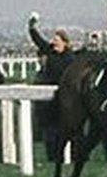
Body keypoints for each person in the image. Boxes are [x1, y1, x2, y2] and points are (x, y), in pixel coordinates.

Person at [27, 13, 75, 161]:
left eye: (56, 41)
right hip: (50, 99)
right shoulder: (50, 51)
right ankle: (52, 157)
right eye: (53, 41)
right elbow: (38, 41)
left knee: (66, 131)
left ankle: (69, 157)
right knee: (50, 131)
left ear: (65, 43)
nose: (54, 43)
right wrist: (31, 27)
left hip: (65, 99)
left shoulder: (70, 58)